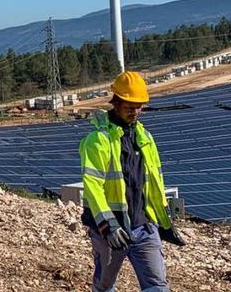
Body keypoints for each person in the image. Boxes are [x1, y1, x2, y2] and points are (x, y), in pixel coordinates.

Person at [79, 71, 186, 292]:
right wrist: (108, 226)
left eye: (139, 106)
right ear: (116, 102)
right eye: (130, 106)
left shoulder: (145, 138)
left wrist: (164, 222)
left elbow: (154, 184)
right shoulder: (98, 140)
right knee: (105, 286)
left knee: (157, 286)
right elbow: (93, 188)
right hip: (109, 231)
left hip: (144, 226)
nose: (135, 111)